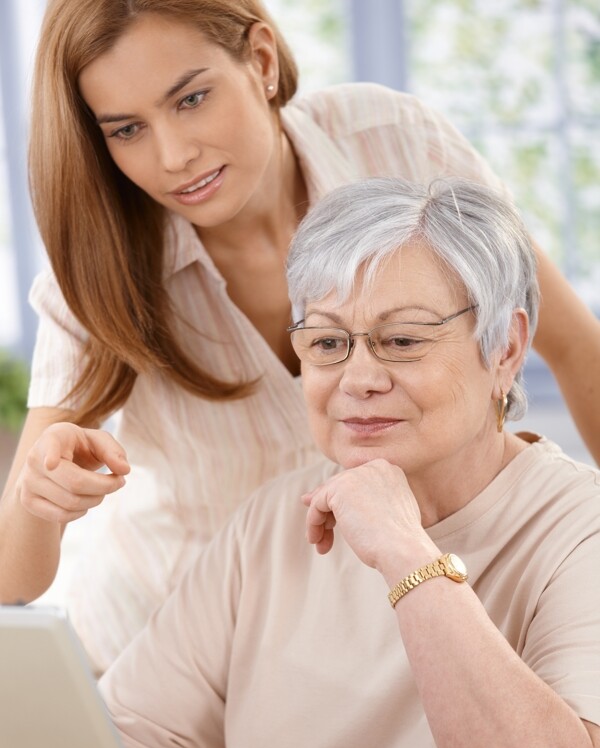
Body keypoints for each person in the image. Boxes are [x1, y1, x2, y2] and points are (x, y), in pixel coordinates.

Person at [1, 0, 599, 673]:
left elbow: (577, 348)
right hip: (169, 650)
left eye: (193, 98)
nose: (173, 155)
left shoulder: (393, 142)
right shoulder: (100, 266)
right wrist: (39, 496)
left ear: (259, 59)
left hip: (375, 646)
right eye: (127, 129)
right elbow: (14, 578)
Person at [99, 176, 600, 748]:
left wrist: (404, 548)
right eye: (329, 344)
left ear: (504, 349)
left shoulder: (579, 526)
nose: (358, 379)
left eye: (401, 341)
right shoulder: (269, 525)